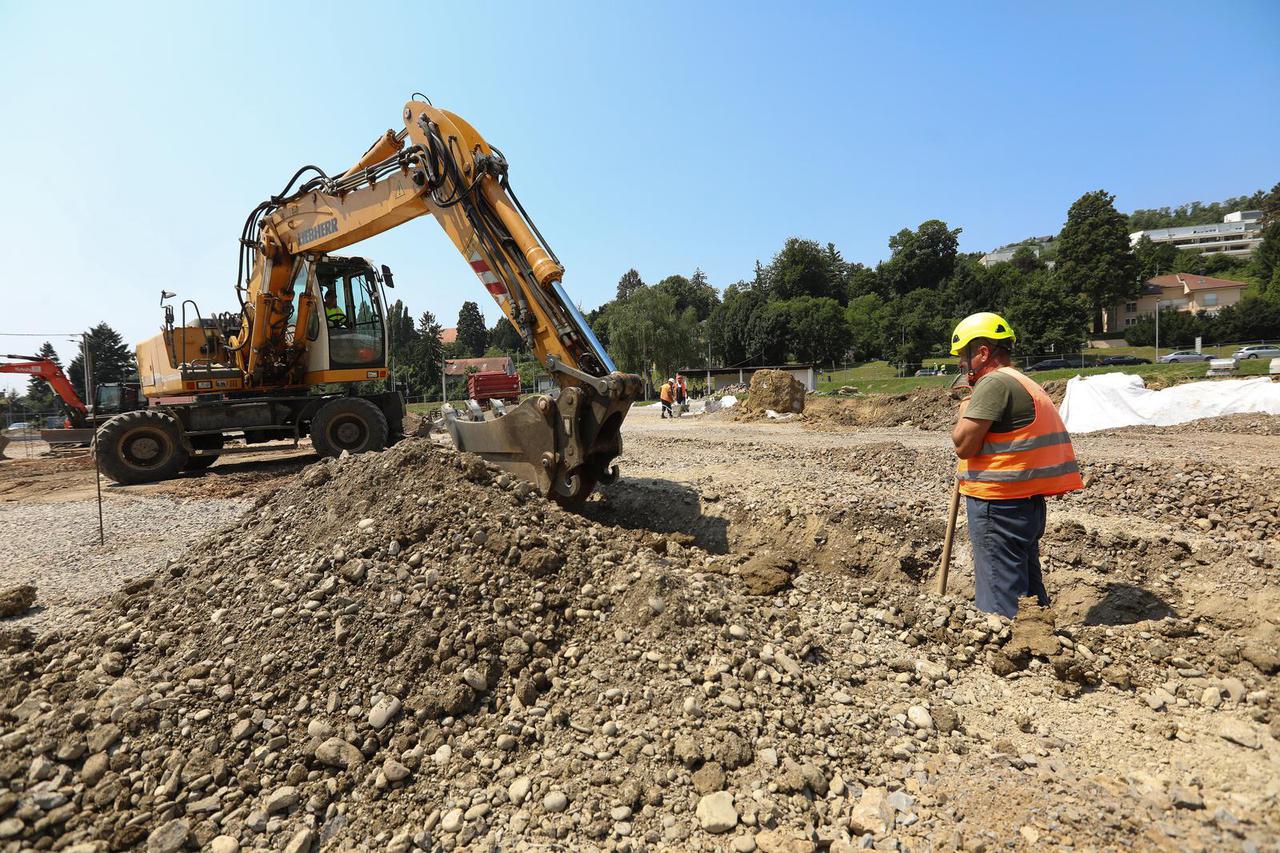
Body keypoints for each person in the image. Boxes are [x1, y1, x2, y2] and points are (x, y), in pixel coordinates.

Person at [949, 312, 1084, 618]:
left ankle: (1010, 653)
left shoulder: (993, 383)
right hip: (1027, 504)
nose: (959, 362)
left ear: (983, 352)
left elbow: (964, 444)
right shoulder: (1024, 380)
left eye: (963, 355)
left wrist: (964, 407)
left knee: (1001, 599)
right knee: (1028, 591)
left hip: (998, 504)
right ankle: (1039, 644)